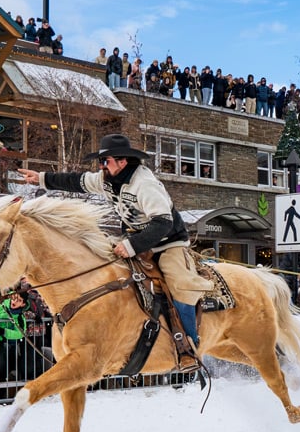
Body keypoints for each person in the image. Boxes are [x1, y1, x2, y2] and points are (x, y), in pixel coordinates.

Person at [18, 133, 213, 367]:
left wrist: (130, 246)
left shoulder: (145, 185)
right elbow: (76, 181)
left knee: (180, 285)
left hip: (167, 243)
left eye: (106, 161)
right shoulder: (106, 179)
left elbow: (163, 223)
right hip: (134, 241)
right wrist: (41, 178)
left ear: (122, 161)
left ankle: (188, 346)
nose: (101, 166)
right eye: (101, 162)